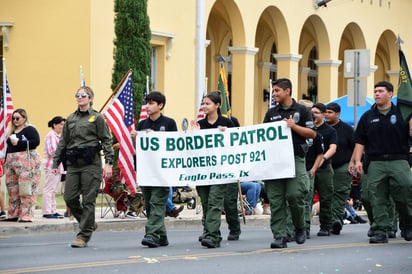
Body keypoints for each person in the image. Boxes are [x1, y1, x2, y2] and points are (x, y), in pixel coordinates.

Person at [350, 81, 412, 244]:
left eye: (381, 91)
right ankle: (380, 230)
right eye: (375, 91)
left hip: (399, 159)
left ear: (390, 94)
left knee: (405, 191)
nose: (376, 94)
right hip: (375, 161)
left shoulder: (403, 113)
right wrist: (357, 161)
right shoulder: (368, 116)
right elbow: (360, 141)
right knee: (376, 196)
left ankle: (407, 224)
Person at [53, 86, 113, 248]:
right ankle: (88, 222)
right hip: (73, 163)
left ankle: (83, 235)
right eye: (77, 95)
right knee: (69, 197)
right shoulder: (70, 119)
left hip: (91, 164)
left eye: (83, 95)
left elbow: (106, 140)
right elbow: (63, 142)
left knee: (88, 200)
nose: (80, 97)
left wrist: (108, 162)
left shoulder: (97, 118)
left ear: (90, 98)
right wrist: (55, 161)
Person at [262, 78, 315, 248]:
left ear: (287, 91)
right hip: (275, 161)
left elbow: (312, 134)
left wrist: (294, 126)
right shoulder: (271, 113)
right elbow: (262, 135)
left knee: (295, 195)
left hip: (295, 158)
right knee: (276, 200)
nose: (274, 94)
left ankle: (299, 227)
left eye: (277, 90)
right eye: (274, 91)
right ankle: (280, 235)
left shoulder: (302, 110)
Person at [191, 91, 235, 248]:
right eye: (203, 103)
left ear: (217, 105)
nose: (204, 106)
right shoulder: (200, 124)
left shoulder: (227, 123)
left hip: (220, 170)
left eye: (208, 103)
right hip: (203, 171)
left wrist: (226, 134)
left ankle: (211, 236)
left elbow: (235, 145)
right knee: (206, 202)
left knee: (215, 202)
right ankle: (210, 232)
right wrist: (193, 135)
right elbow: (193, 149)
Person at [137, 91, 177, 248]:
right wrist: (136, 138)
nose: (147, 106)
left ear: (160, 106)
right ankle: (162, 236)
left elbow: (174, 145)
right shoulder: (142, 124)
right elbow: (138, 149)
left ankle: (151, 234)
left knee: (157, 203)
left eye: (151, 103)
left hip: (162, 172)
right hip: (147, 171)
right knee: (148, 204)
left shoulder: (169, 123)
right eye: (147, 103)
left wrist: (157, 137)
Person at [2, 108, 42, 222]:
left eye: (18, 118)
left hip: (26, 162)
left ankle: (26, 215)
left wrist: (19, 142)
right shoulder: (12, 132)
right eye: (13, 118)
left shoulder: (30, 129)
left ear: (24, 118)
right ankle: (13, 214)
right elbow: (9, 147)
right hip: (11, 162)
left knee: (26, 189)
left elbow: (36, 142)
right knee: (12, 189)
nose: (15, 120)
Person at [325, 102, 355, 235]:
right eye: (325, 112)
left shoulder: (347, 129)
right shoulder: (321, 128)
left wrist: (354, 162)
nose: (326, 115)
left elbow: (356, 147)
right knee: (327, 194)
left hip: (343, 165)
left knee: (339, 193)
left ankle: (336, 220)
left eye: (330, 112)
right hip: (324, 165)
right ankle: (327, 222)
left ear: (337, 114)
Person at [311, 103, 337, 237]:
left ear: (323, 114)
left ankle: (326, 226)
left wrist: (323, 158)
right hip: (309, 168)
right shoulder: (307, 129)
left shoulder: (329, 131)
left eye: (316, 112)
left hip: (324, 168)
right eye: (312, 112)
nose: (313, 115)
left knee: (326, 197)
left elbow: (333, 148)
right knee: (306, 198)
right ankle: (303, 227)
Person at [42, 116, 66, 219]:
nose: (62, 126)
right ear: (54, 125)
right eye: (61, 124)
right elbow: (52, 151)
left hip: (58, 166)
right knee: (49, 189)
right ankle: (47, 211)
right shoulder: (51, 136)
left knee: (53, 190)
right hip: (52, 166)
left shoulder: (58, 136)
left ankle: (53, 210)